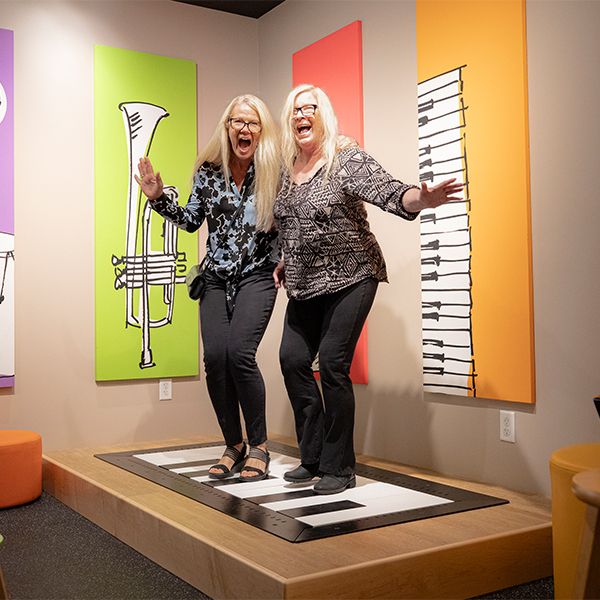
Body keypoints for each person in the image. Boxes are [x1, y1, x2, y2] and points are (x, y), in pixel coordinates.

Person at [273, 84, 463, 495]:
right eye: (295, 110)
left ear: (323, 115)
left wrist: (422, 199)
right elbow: (287, 221)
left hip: (352, 276)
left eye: (310, 108)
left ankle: (339, 468)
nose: (302, 115)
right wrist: (285, 258)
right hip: (305, 283)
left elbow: (390, 191)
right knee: (292, 360)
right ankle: (313, 456)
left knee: (334, 365)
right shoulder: (287, 169)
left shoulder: (345, 158)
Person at [136, 94, 280, 482]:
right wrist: (157, 199)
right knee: (215, 358)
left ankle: (260, 445)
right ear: (227, 126)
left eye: (252, 123)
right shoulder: (208, 170)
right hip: (215, 277)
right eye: (238, 122)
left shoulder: (274, 172)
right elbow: (190, 220)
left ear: (261, 130)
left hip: (257, 275)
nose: (244, 129)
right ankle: (234, 445)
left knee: (239, 354)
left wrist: (285, 259)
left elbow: (288, 223)